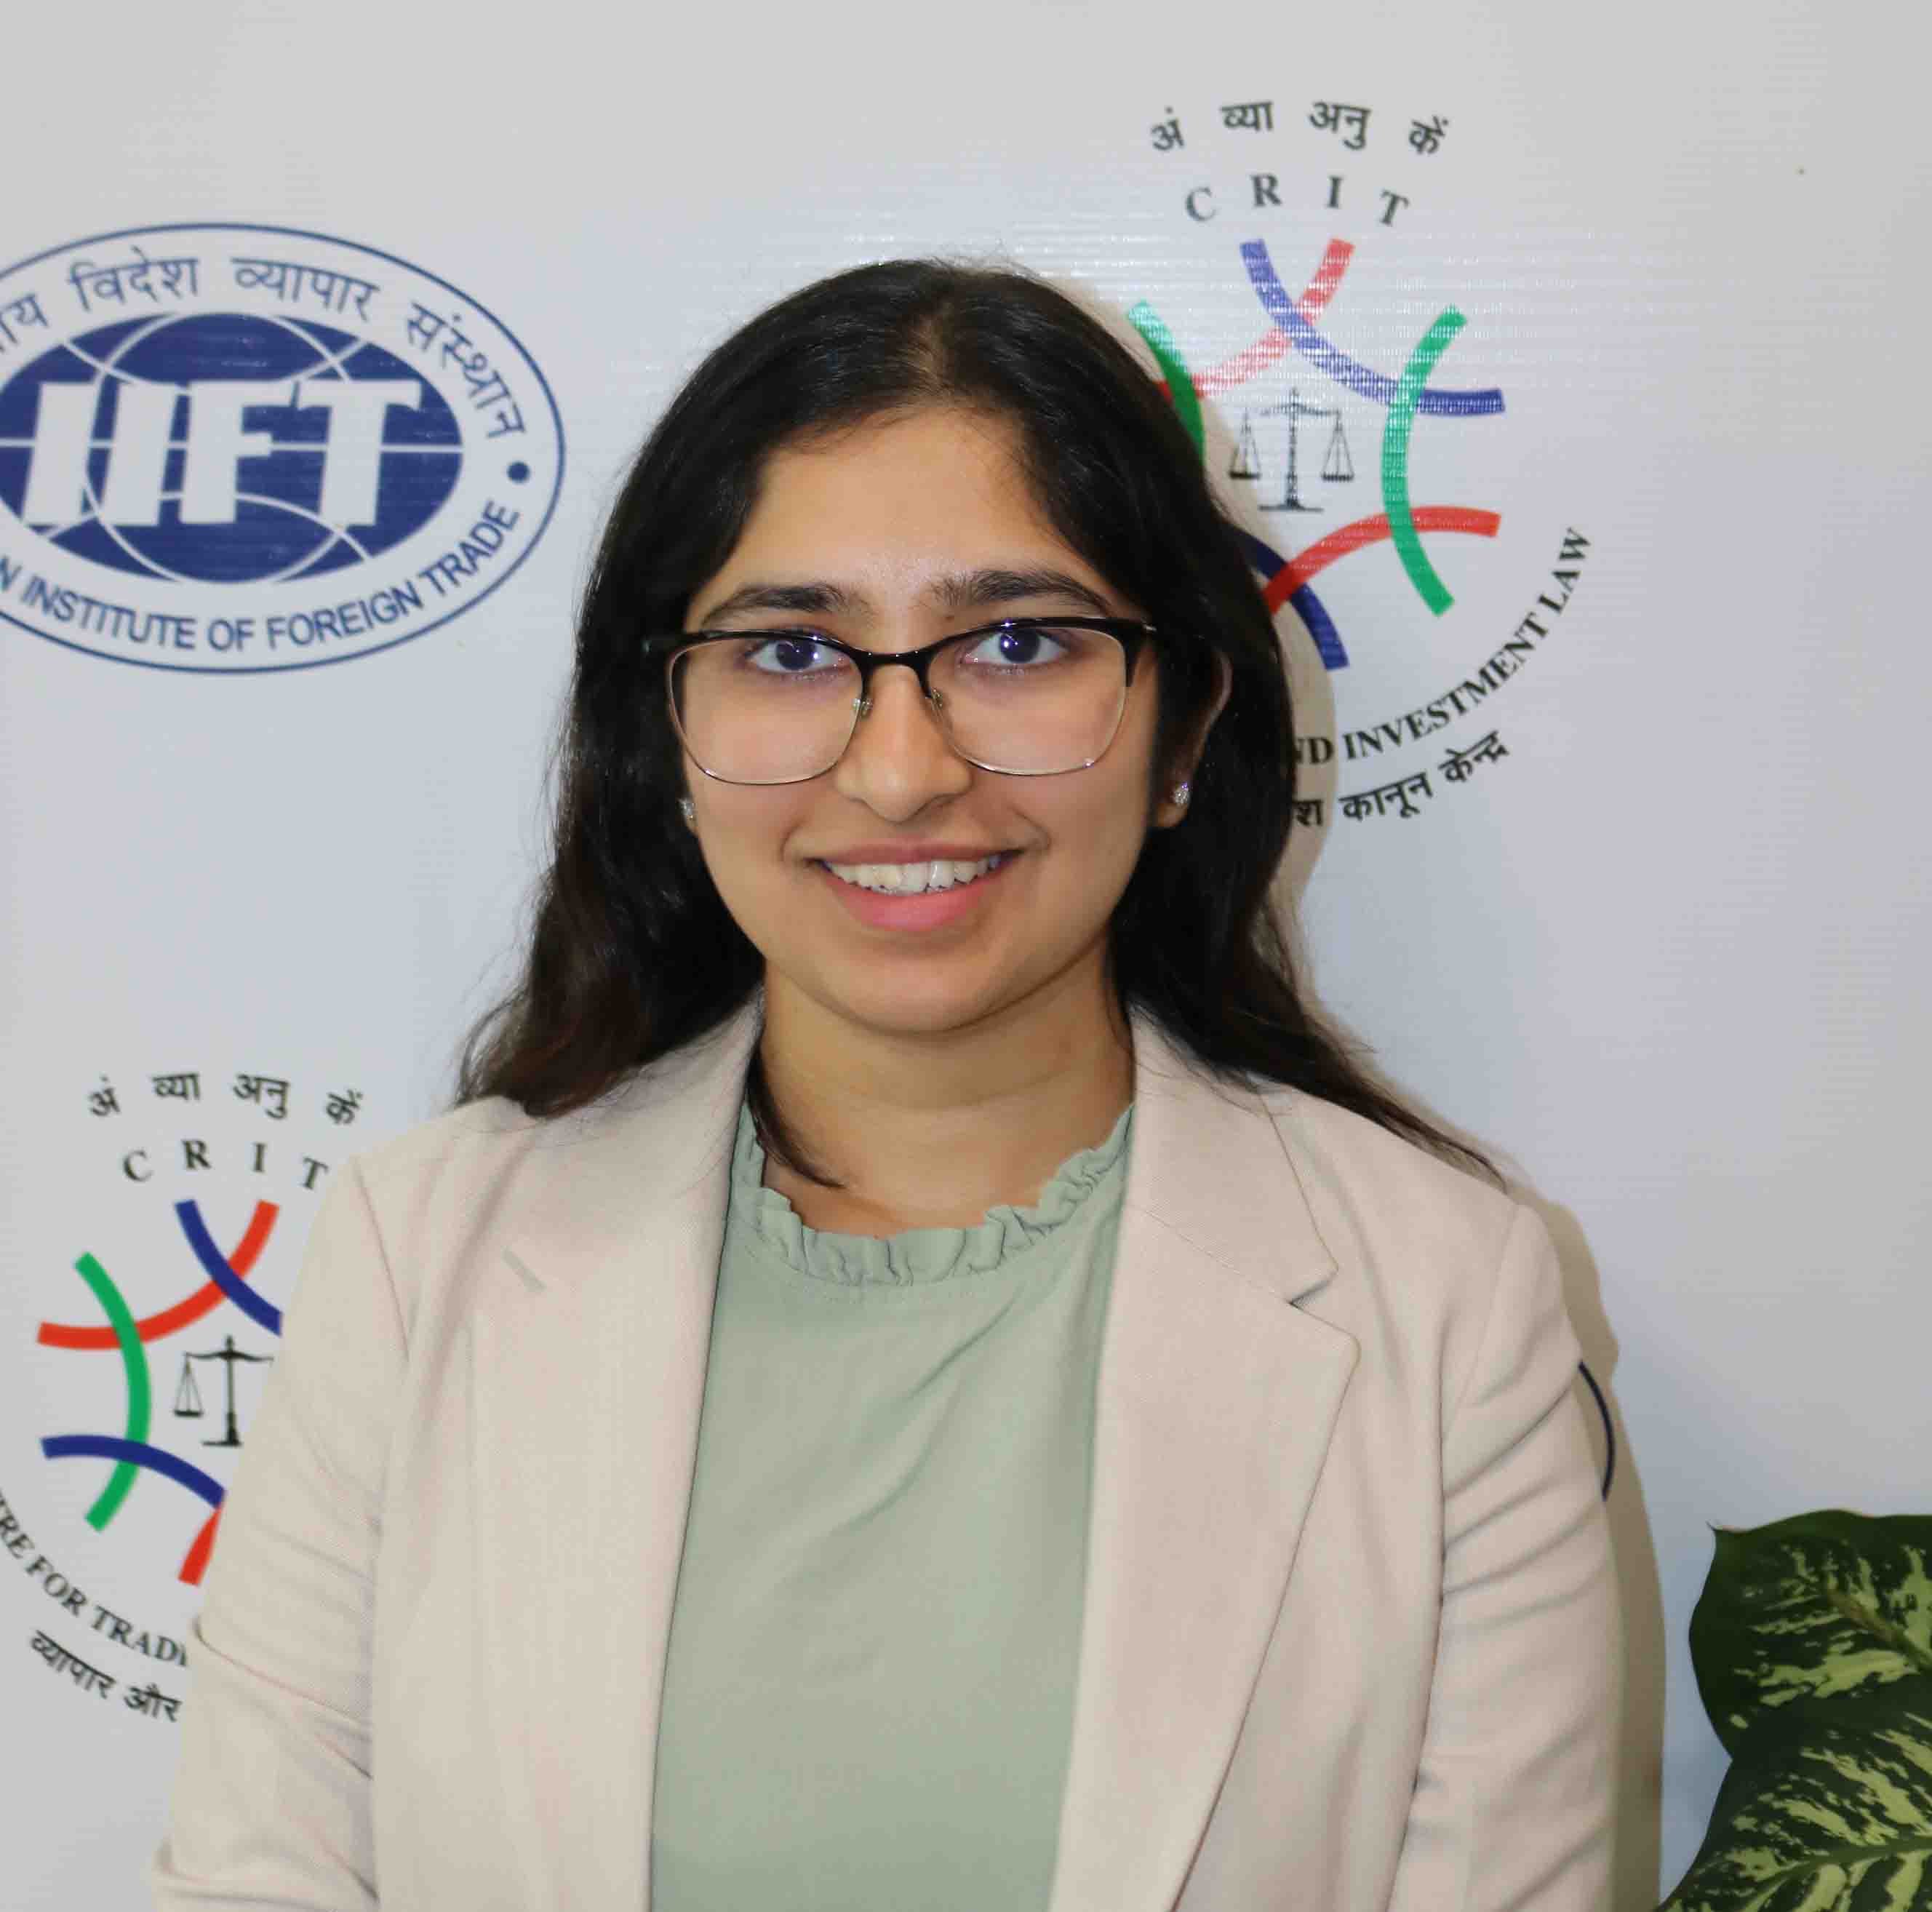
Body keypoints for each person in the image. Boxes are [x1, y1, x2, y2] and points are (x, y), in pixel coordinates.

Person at [151, 260, 1622, 1911]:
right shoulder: (417, 1258)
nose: (904, 770)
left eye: (1017, 641)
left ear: (1185, 728)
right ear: (666, 733)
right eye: (791, 648)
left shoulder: (1442, 1305)